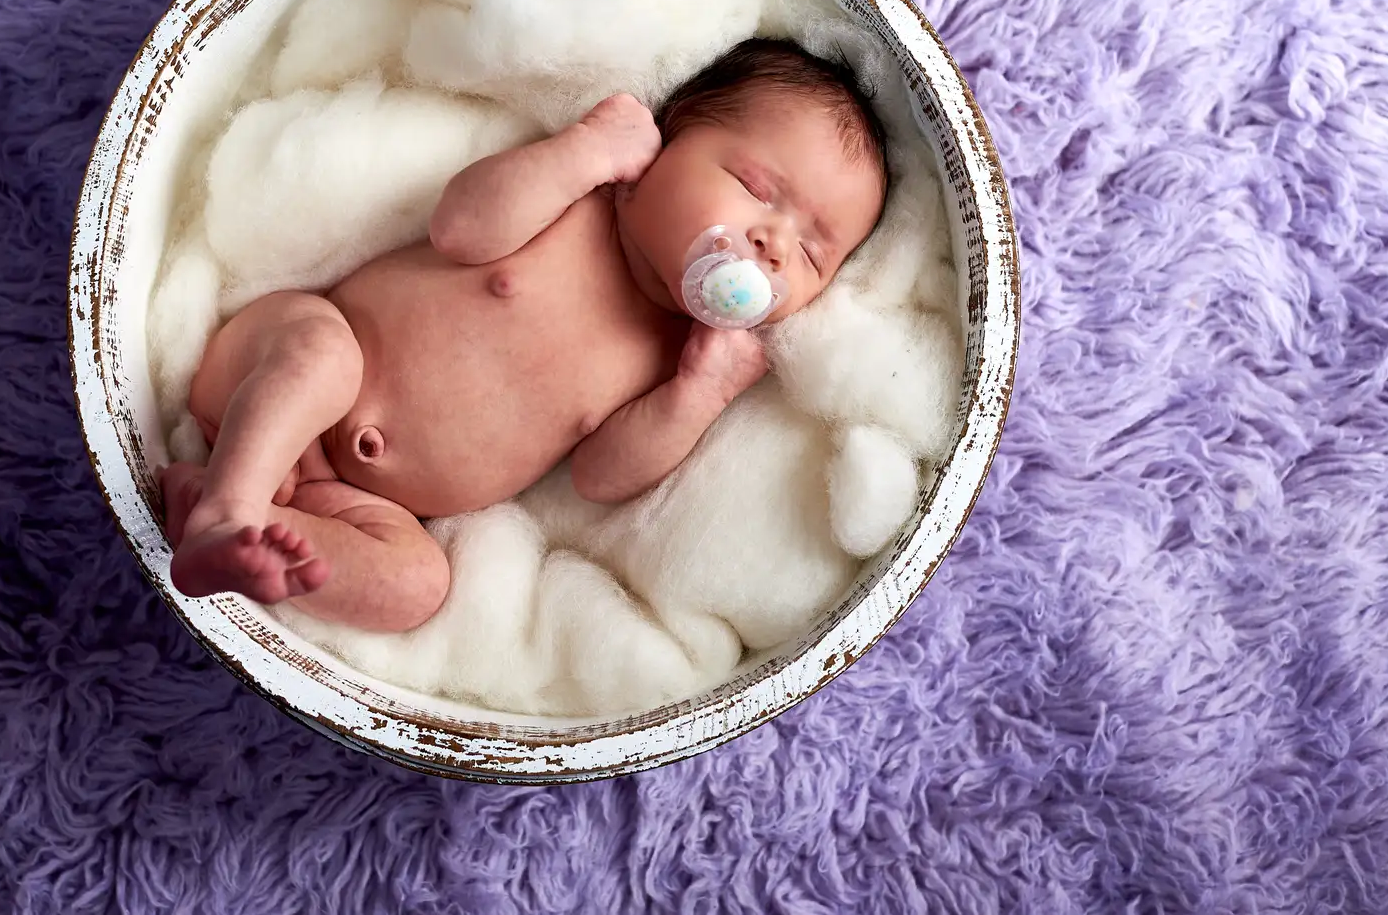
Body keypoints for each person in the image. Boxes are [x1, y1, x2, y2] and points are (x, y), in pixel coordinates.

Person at [156, 38, 891, 632]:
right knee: (322, 357)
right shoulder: (581, 203)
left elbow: (600, 477)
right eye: (760, 191)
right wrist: (588, 150)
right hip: (282, 363)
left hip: (355, 498)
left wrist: (699, 394)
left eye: (812, 253)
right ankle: (234, 506)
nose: (773, 243)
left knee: (417, 585)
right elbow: (461, 226)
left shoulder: (673, 361)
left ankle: (246, 531)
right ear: (670, 139)